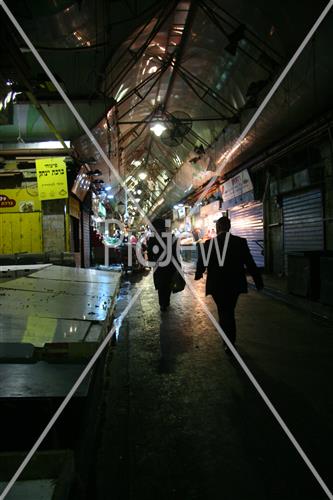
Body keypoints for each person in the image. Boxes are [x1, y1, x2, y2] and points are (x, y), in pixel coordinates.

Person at [195, 216, 263, 353]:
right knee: (229, 310)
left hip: (217, 285)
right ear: (229, 227)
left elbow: (202, 262)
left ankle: (228, 342)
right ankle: (229, 341)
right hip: (234, 284)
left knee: (223, 311)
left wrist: (199, 273)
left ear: (218, 228)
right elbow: (250, 263)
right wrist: (258, 280)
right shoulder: (240, 242)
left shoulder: (209, 244)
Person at [147, 218, 183, 311]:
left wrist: (152, 263)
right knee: (168, 283)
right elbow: (177, 252)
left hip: (159, 266)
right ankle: (165, 302)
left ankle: (163, 303)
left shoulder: (152, 239)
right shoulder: (172, 237)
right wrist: (178, 265)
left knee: (161, 285)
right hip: (170, 265)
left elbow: (150, 253)